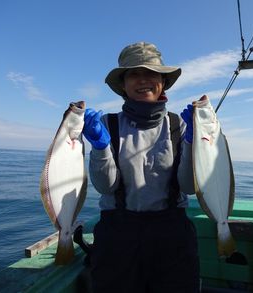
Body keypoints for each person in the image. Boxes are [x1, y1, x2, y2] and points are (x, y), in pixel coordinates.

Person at [82, 42, 199, 293]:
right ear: (123, 85)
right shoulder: (107, 124)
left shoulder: (181, 126)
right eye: (134, 73)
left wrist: (191, 144)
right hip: (117, 237)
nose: (143, 80)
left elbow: (188, 186)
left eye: (151, 73)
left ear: (163, 82)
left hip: (172, 237)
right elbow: (106, 186)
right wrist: (101, 146)